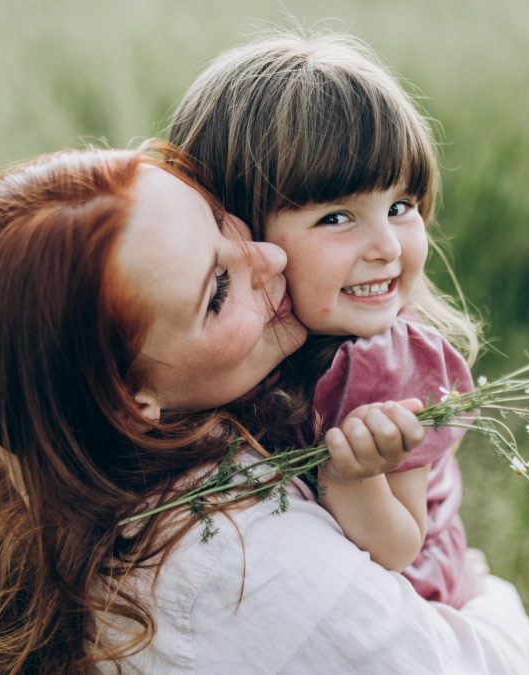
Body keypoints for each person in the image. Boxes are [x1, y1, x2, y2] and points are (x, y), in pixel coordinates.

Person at [0, 143, 529, 672]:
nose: (270, 258)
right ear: (130, 402)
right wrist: (485, 586)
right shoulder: (241, 564)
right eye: (217, 291)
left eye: (219, 218)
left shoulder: (59, 465)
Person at [169, 32, 486, 607]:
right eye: (338, 217)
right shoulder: (224, 340)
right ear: (239, 229)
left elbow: (401, 549)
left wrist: (353, 477)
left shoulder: (391, 370)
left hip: (405, 609)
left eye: (400, 207)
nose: (388, 246)